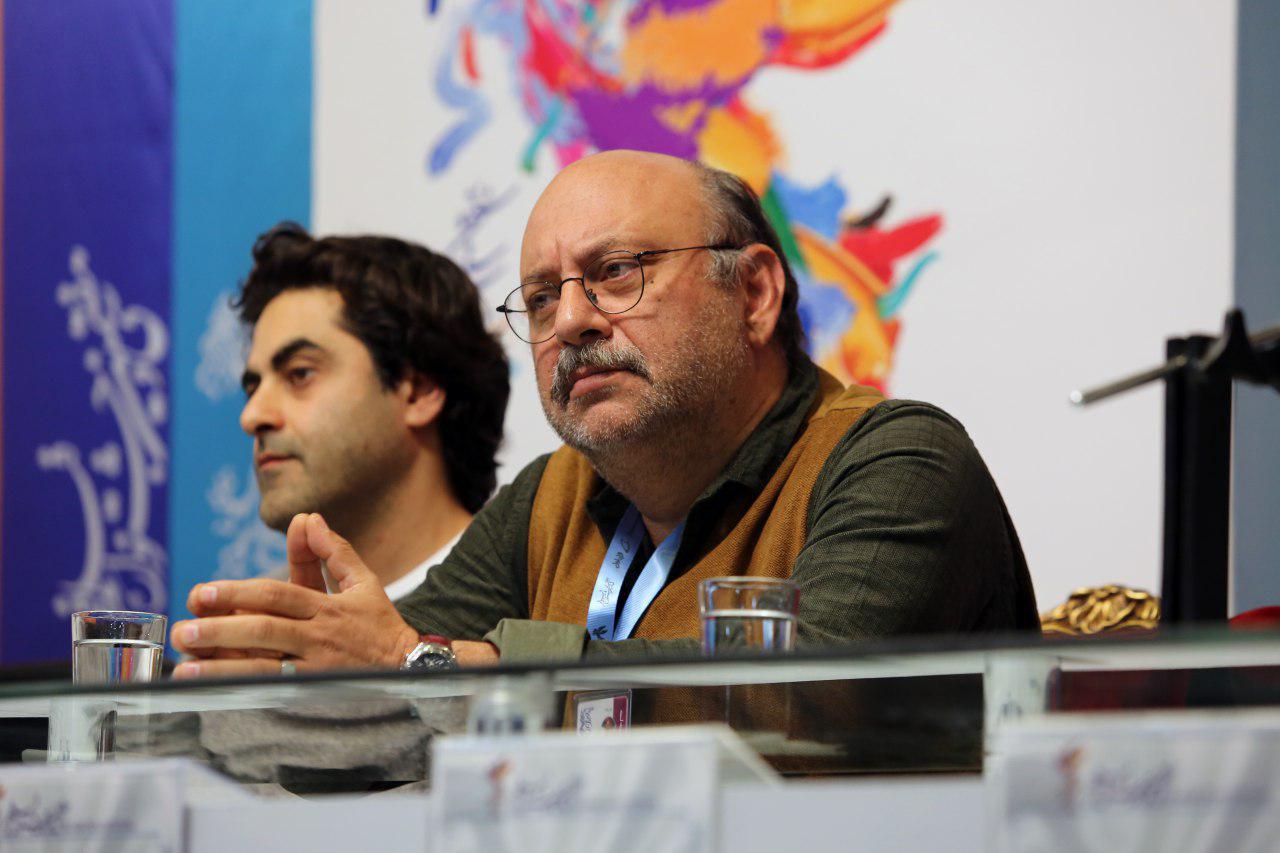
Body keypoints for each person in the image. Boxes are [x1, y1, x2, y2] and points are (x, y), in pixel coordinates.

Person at [170, 151, 1038, 677]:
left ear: (755, 293)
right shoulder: (550, 497)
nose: (572, 321)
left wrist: (423, 666)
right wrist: (280, 682)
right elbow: (381, 672)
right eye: (542, 298)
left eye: (617, 272)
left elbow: (803, 697)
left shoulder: (897, 461)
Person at [232, 224, 508, 601]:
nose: (252, 416)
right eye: (253, 387)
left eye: (299, 373)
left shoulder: (533, 606)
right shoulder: (253, 624)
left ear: (418, 392)